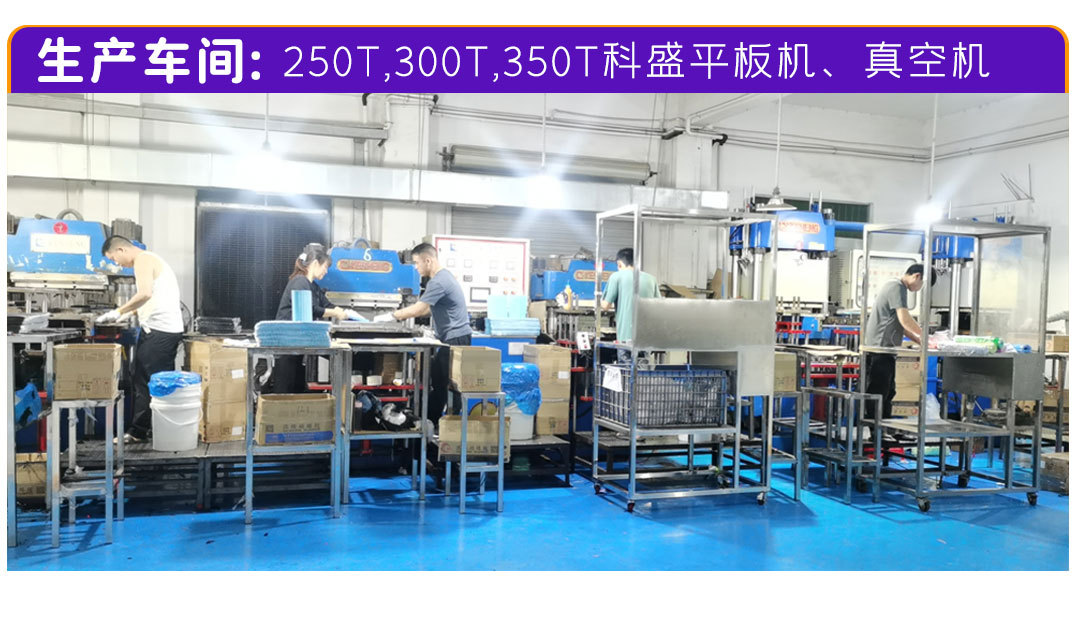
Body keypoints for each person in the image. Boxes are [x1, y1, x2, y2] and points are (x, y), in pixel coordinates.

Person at [98, 236, 184, 442]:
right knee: (152, 380)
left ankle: (140, 431)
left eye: (113, 259)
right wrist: (129, 313)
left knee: (147, 381)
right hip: (160, 330)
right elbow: (153, 299)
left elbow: (145, 294)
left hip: (160, 331)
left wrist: (118, 312)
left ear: (121, 250)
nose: (117, 264)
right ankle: (154, 429)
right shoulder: (151, 259)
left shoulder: (143, 259)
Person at [377, 242, 471, 428]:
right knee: (439, 380)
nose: (416, 267)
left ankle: (442, 426)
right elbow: (429, 309)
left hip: (456, 338)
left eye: (417, 263)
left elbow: (420, 309)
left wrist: (393, 315)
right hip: (452, 337)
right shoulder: (443, 277)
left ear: (428, 260)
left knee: (450, 385)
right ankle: (432, 424)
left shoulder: (438, 281)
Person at [271, 243, 359, 393]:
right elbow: (311, 309)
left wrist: (346, 313)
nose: (326, 271)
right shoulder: (299, 281)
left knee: (296, 387)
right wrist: (335, 313)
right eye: (325, 267)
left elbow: (327, 305)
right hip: (287, 342)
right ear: (315, 263)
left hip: (297, 344)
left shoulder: (313, 287)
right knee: (285, 389)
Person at [864, 263, 936, 419]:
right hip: (880, 350)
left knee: (888, 392)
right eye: (922, 284)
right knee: (879, 393)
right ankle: (876, 430)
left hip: (884, 350)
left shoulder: (897, 287)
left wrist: (920, 340)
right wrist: (926, 335)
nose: (920, 288)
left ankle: (882, 429)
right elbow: (905, 319)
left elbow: (900, 325)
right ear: (917, 276)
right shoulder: (897, 287)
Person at [600, 247, 660, 364]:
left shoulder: (616, 277)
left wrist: (599, 298)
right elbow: (658, 306)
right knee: (643, 370)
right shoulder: (651, 279)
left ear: (619, 263)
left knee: (626, 371)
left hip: (625, 337)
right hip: (645, 338)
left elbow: (605, 305)